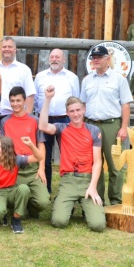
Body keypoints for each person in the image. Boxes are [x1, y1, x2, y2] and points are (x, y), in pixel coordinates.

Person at [39, 87, 106, 232]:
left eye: (78, 110)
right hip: (68, 180)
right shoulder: (61, 128)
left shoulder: (94, 130)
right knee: (59, 222)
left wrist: (93, 187)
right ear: (67, 113)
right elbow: (43, 126)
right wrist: (47, 99)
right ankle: (63, 201)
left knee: (98, 225)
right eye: (71, 111)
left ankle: (86, 205)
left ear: (84, 110)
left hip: (87, 180)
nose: (75, 114)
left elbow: (98, 161)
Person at [80, 45, 133, 206]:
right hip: (91, 125)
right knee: (94, 163)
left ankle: (116, 201)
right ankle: (98, 199)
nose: (95, 60)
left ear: (107, 59)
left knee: (114, 165)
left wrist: (123, 128)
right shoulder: (87, 80)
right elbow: (82, 104)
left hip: (111, 125)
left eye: (99, 57)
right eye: (93, 58)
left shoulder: (119, 79)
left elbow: (125, 105)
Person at [33, 48, 80, 193]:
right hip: (44, 120)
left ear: (64, 60)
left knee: (68, 156)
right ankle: (45, 190)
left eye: (57, 57)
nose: (54, 59)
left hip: (65, 120)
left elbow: (76, 99)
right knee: (44, 157)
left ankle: (67, 190)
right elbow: (35, 100)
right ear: (49, 59)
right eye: (52, 57)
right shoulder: (40, 77)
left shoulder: (72, 77)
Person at [0, 86, 49, 218]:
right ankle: (19, 206)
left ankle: (31, 206)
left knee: (43, 201)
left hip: (32, 168)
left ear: (25, 101)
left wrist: (41, 168)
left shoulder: (34, 120)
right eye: (12, 101)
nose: (15, 104)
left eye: (18, 100)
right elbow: (0, 147)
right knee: (12, 197)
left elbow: (41, 145)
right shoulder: (5, 122)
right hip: (14, 167)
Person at [0, 136, 43, 234]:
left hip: (12, 190)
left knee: (24, 188)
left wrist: (31, 145)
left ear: (7, 149)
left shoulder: (16, 160)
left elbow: (39, 157)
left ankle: (16, 219)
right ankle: (2, 215)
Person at [0, 36, 36, 134]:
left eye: (10, 47)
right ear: (0, 49)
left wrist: (27, 118)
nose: (7, 49)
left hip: (15, 117)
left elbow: (30, 95)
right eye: (4, 47)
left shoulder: (24, 70)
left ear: (15, 49)